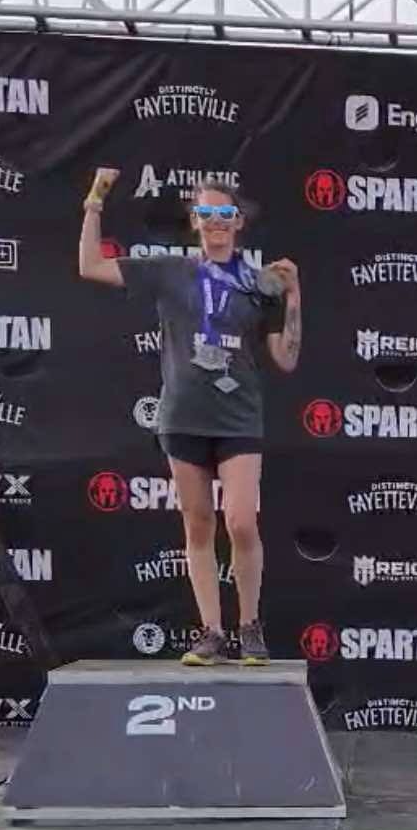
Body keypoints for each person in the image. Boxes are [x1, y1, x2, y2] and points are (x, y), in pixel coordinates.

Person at [78, 169, 302, 665]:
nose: (215, 221)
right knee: (198, 525)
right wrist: (95, 201)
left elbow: (285, 358)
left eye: (224, 213)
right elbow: (91, 266)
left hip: (238, 417)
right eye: (206, 213)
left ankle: (250, 627)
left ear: (238, 222)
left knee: (241, 522)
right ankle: (211, 632)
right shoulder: (170, 270)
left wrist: (293, 297)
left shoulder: (258, 282)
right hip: (183, 416)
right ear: (195, 221)